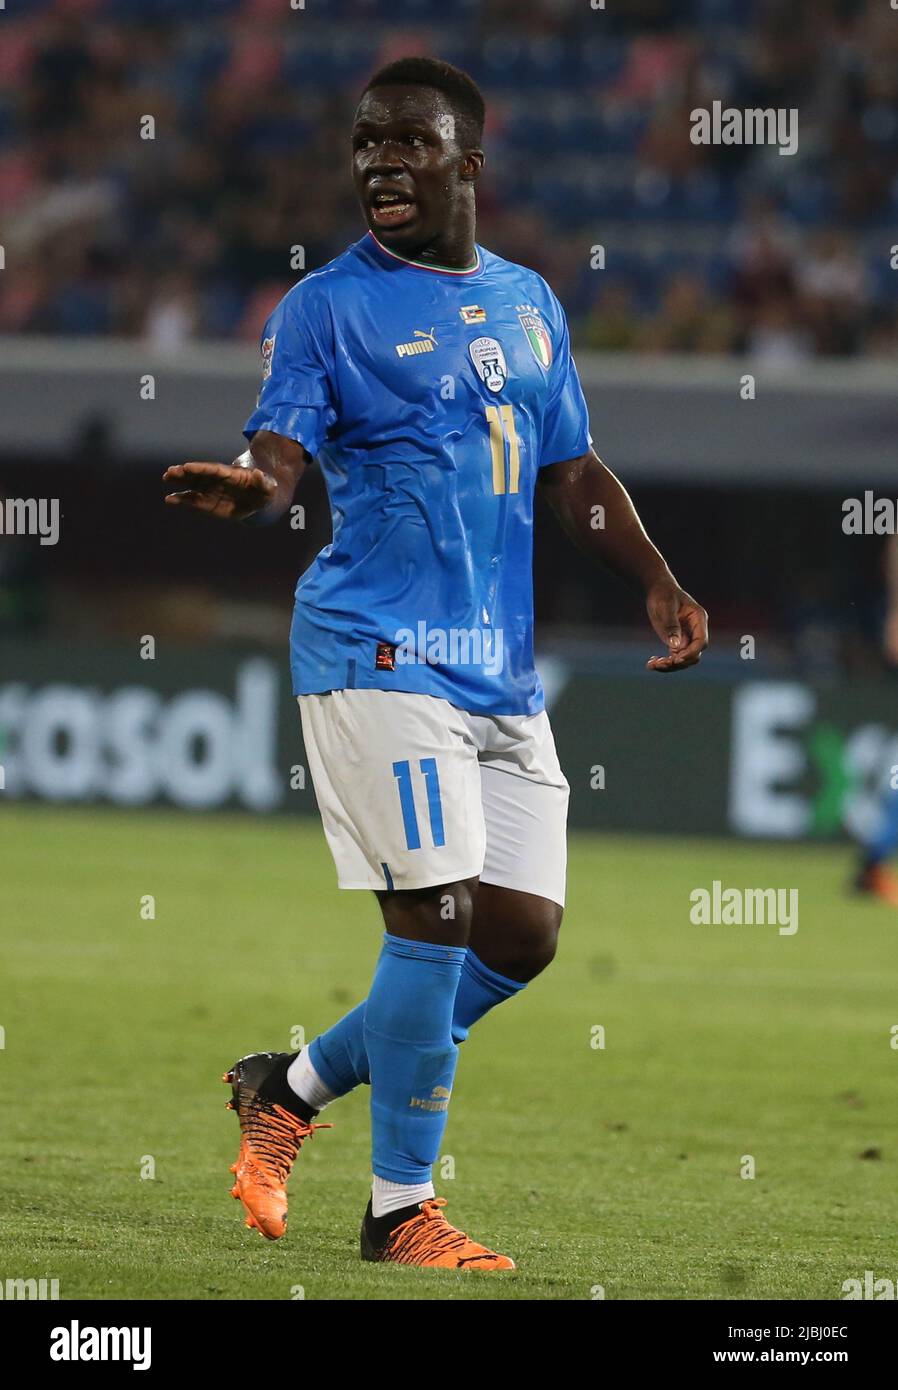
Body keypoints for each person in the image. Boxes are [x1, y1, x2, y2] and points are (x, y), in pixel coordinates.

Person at [163, 57, 709, 1272]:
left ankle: (287, 1085)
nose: (378, 165)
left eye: (408, 144)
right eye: (365, 144)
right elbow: (282, 447)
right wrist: (258, 487)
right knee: (438, 912)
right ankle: (397, 1209)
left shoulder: (528, 301)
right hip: (378, 650)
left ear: (466, 165)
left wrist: (657, 579)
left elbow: (571, 471)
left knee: (518, 935)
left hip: (499, 674)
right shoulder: (326, 309)